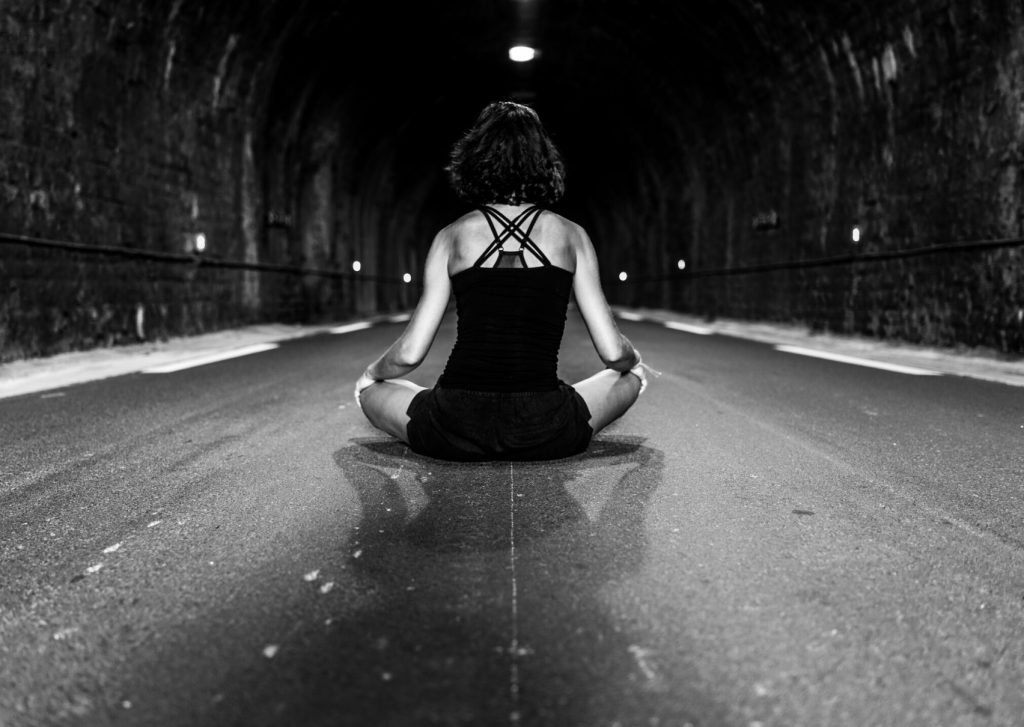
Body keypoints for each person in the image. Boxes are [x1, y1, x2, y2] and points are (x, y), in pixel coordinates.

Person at [354, 101, 649, 461]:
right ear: (544, 160)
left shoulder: (451, 237)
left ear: (476, 159)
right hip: (546, 428)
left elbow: (409, 354)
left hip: (454, 425)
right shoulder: (572, 236)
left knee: (371, 390)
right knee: (631, 375)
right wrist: (634, 360)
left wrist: (372, 373)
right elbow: (613, 352)